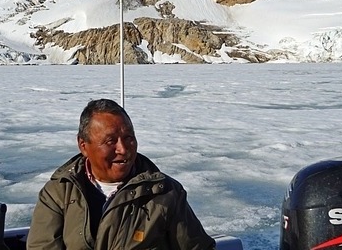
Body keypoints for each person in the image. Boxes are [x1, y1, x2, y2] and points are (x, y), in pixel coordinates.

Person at [27, 98, 216, 250]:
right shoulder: (58, 193)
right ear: (83, 145)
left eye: (128, 138)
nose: (123, 149)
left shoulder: (165, 193)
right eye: (110, 141)